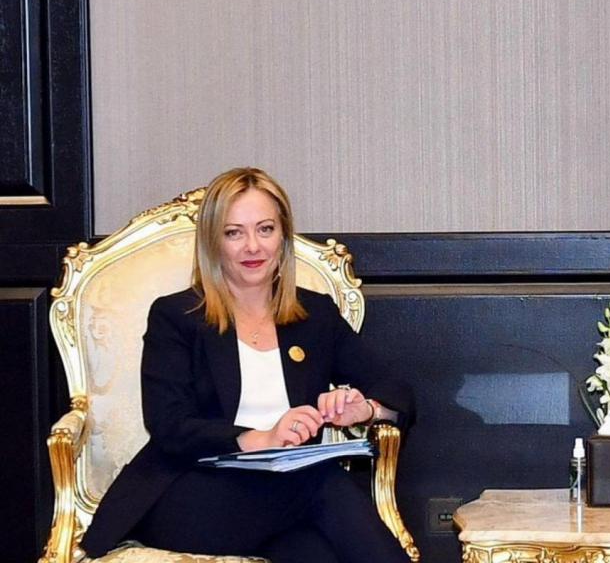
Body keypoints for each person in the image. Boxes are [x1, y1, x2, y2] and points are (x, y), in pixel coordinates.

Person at [81, 168, 414, 563]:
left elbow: (395, 388)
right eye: (234, 233)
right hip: (191, 493)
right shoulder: (176, 316)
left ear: (282, 236)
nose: (252, 246)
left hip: (282, 501)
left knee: (315, 552)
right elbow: (169, 425)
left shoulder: (315, 315)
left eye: (265, 229)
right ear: (213, 242)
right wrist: (260, 438)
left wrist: (366, 409)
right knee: (324, 481)